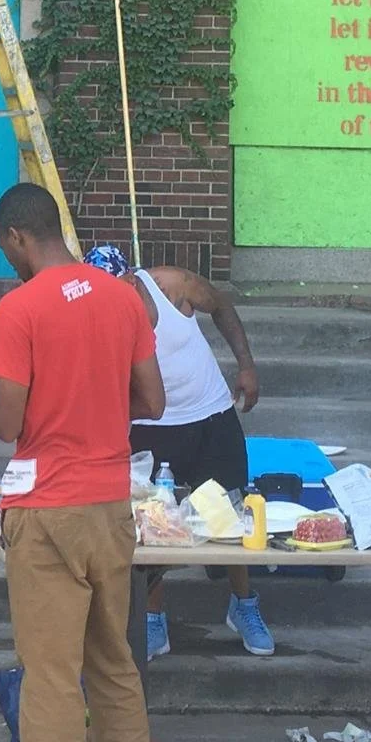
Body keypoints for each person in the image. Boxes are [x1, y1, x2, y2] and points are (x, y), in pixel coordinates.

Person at [0, 184, 164, 742]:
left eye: (5, 248)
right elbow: (153, 400)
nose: (7, 259)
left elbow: (10, 421)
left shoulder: (19, 308)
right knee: (114, 664)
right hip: (111, 504)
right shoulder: (122, 298)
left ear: (17, 236)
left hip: (48, 506)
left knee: (51, 677)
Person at [86, 245, 272, 658]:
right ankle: (154, 617)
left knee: (230, 511)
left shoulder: (171, 285)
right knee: (154, 520)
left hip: (210, 413)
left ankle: (244, 603)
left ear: (131, 278)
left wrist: (246, 365)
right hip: (150, 425)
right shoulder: (97, 317)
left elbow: (221, 305)